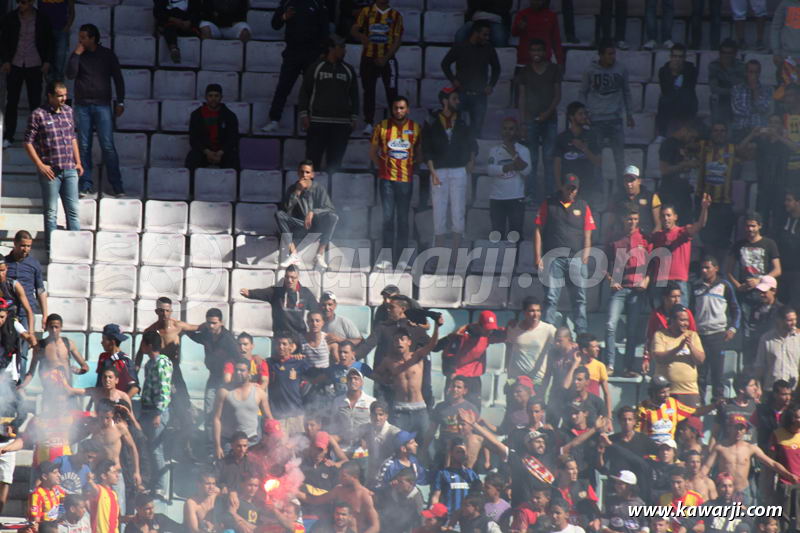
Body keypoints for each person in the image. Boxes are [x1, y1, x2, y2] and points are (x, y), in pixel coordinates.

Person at [66, 23, 125, 198]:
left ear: (93, 38)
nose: (80, 40)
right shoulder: (78, 54)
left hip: (103, 105)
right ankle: (86, 184)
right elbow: (70, 74)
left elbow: (118, 78)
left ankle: (117, 185)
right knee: (84, 146)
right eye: (80, 37)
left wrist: (120, 102)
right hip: (83, 105)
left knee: (107, 146)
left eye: (84, 37)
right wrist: (76, 54)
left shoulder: (107, 54)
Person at [534, 174, 596, 334]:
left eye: (574, 188)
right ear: (562, 187)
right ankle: (546, 333)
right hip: (553, 259)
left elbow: (588, 233)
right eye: (568, 187)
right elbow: (538, 230)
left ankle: (582, 335)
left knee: (580, 299)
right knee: (550, 298)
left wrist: (586, 255)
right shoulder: (549, 203)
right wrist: (538, 257)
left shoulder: (583, 206)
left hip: (576, 259)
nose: (571, 191)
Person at [23, 80, 82, 245]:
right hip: (51, 171)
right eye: (59, 95)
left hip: (70, 167)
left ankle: (74, 246)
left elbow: (72, 138)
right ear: (50, 96)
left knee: (73, 211)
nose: (63, 98)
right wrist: (40, 165)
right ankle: (52, 248)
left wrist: (78, 162)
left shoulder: (69, 111)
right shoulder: (38, 114)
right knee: (51, 212)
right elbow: (27, 142)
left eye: (65, 95)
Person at [369, 96, 421, 270]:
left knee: (403, 220)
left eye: (402, 108)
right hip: (387, 181)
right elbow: (372, 152)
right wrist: (383, 168)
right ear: (392, 109)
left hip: (406, 180)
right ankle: (386, 258)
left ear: (407, 109)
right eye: (396, 108)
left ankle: (403, 260)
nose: (398, 111)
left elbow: (420, 153)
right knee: (388, 219)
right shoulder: (381, 127)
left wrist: (410, 166)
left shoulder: (415, 128)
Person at [422, 87, 476, 251]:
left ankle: (454, 254)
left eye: (458, 99)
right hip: (438, 170)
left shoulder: (463, 118)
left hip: (459, 169)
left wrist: (471, 160)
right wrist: (432, 172)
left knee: (458, 212)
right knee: (439, 212)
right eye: (454, 99)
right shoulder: (431, 119)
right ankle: (439, 253)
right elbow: (427, 148)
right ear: (445, 101)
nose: (457, 102)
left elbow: (471, 141)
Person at [262, 0, 329, 133]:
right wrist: (285, 17)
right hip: (292, 53)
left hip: (312, 53)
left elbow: (324, 29)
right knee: (283, 86)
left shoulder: (317, 3)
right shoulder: (287, 2)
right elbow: (275, 24)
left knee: (312, 88)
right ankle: (274, 120)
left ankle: (310, 121)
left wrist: (323, 52)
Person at [704, 413, 800, 504]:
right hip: (724, 492)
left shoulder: (750, 448)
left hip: (742, 492)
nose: (739, 431)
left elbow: (771, 463)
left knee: (745, 520)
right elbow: (706, 467)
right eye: (736, 427)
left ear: (745, 430)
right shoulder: (720, 447)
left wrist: (788, 475)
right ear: (729, 428)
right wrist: (697, 479)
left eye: (742, 428)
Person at [298, 35, 359, 174]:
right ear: (331, 48)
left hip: (341, 124)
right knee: (312, 163)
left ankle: (332, 192)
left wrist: (354, 116)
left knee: (335, 165)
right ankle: (310, 193)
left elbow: (354, 95)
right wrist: (304, 114)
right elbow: (304, 92)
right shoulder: (316, 67)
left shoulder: (348, 70)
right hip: (318, 122)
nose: (344, 51)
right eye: (341, 48)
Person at [373, 318, 441, 437]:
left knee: (427, 445)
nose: (399, 342)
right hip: (400, 410)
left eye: (402, 339)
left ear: (409, 342)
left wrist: (437, 326)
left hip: (419, 408)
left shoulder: (417, 356)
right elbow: (375, 374)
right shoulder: (388, 361)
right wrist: (385, 381)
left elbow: (432, 344)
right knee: (398, 444)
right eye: (396, 340)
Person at [605, 209, 651, 377]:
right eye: (629, 218)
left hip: (637, 291)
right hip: (620, 288)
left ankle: (629, 367)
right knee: (610, 325)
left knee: (632, 329)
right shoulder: (615, 239)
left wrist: (647, 280)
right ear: (623, 219)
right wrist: (610, 278)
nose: (632, 222)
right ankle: (609, 365)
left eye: (635, 219)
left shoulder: (645, 238)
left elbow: (653, 262)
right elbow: (603, 260)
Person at [579, 42, 633, 186]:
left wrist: (629, 114)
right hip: (596, 120)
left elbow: (627, 92)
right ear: (601, 55)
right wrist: (585, 114)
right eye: (609, 54)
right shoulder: (590, 70)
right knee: (596, 159)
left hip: (615, 119)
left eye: (613, 53)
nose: (612, 57)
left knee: (619, 159)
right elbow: (582, 92)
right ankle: (597, 191)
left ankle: (622, 192)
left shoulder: (621, 69)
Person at [1, 0, 54, 149]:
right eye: (20, 3)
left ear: (31, 3)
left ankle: (36, 137)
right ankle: (8, 135)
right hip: (15, 63)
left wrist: (47, 61)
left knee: (35, 103)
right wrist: (5, 60)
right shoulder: (10, 18)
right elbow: (4, 40)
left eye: (24, 3)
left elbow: (49, 41)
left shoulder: (42, 18)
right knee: (11, 102)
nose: (21, 6)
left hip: (34, 63)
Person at [695, 123, 750, 259]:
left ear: (726, 133)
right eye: (716, 131)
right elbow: (687, 145)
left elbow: (748, 153)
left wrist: (752, 135)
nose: (719, 134)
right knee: (707, 238)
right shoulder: (703, 146)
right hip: (705, 203)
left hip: (724, 203)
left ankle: (720, 271)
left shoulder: (732, 149)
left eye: (722, 131)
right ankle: (709, 268)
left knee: (723, 240)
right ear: (711, 133)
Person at [185, 308, 239, 441]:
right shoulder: (206, 334)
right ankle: (210, 447)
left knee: (227, 414)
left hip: (228, 380)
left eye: (214, 323)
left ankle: (227, 445)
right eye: (208, 323)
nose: (211, 326)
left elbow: (238, 358)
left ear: (221, 322)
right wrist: (192, 328)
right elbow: (193, 336)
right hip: (213, 377)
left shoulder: (228, 339)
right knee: (209, 412)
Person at [351, 0, 403, 136]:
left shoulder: (396, 15)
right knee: (369, 90)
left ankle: (395, 123)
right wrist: (361, 36)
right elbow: (354, 29)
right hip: (368, 58)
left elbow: (397, 40)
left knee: (392, 91)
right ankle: (369, 123)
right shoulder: (366, 12)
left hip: (388, 59)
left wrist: (385, 58)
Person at [517, 38, 561, 201]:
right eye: (533, 50)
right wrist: (522, 122)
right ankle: (530, 193)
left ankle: (550, 194)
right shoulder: (525, 71)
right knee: (532, 160)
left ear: (545, 52)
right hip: (530, 120)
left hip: (550, 120)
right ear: (529, 53)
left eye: (539, 50)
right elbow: (521, 97)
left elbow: (557, 95)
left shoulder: (554, 69)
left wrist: (547, 113)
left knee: (549, 158)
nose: (536, 53)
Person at [691, 256, 740, 401]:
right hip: (700, 334)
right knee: (700, 373)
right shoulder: (696, 286)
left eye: (707, 268)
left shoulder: (724, 285)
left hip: (718, 334)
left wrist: (733, 329)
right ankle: (699, 403)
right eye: (702, 268)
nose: (704, 271)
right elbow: (690, 310)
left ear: (716, 269)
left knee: (717, 372)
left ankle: (718, 402)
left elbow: (736, 309)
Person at [649, 196, 711, 308]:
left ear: (675, 217)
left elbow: (700, 225)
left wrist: (704, 208)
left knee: (680, 313)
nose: (666, 218)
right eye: (663, 216)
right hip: (660, 281)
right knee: (659, 315)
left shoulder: (683, 232)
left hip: (678, 280)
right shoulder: (656, 236)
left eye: (669, 215)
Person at [276, 161, 339, 270]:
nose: (304, 175)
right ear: (298, 173)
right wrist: (297, 192)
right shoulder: (292, 189)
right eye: (302, 172)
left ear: (312, 174)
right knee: (278, 214)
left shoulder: (319, 189)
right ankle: (293, 254)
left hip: (316, 225)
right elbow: (286, 211)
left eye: (307, 172)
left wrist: (313, 212)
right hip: (299, 225)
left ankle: (319, 254)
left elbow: (330, 209)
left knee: (333, 217)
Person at [441, 20, 500, 137]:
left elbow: (496, 68)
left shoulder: (489, 48)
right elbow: (445, 64)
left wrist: (491, 85)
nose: (487, 38)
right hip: (461, 94)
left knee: (477, 130)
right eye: (484, 34)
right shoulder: (460, 46)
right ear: (475, 33)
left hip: (480, 95)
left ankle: (474, 154)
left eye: (488, 35)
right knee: (455, 127)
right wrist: (453, 80)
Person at [435, 310, 505, 407]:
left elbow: (506, 334)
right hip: (457, 378)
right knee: (452, 411)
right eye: (487, 329)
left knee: (474, 411)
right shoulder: (461, 335)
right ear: (479, 326)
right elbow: (448, 355)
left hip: (474, 379)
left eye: (491, 329)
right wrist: (451, 375)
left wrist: (512, 326)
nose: (489, 331)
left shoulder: (488, 334)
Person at [726, 211, 781, 328]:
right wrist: (738, 286)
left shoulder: (769, 243)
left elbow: (777, 269)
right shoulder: (739, 245)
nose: (750, 229)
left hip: (763, 291)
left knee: (762, 324)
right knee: (745, 326)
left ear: (759, 226)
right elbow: (728, 271)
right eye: (747, 226)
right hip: (745, 293)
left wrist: (760, 280)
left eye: (753, 226)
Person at [213, 358, 272, 458]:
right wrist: (217, 446)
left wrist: (271, 440)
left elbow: (269, 418)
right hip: (229, 442)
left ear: (249, 372)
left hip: (252, 443)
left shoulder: (259, 393)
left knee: (251, 473)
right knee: (229, 472)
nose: (238, 373)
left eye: (242, 370)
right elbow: (216, 419)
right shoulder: (224, 392)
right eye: (236, 370)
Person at [5, 230, 46, 370]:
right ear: (15, 244)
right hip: (8, 313)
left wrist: (45, 314)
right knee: (7, 348)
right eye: (23, 245)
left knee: (22, 352)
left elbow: (40, 290)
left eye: (29, 246)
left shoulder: (34, 264)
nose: (26, 249)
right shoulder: (4, 264)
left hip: (25, 313)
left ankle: (19, 386)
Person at [138, 331, 172, 499]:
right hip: (147, 409)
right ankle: (150, 482)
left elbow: (164, 390)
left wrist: (158, 413)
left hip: (157, 411)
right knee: (147, 448)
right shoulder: (150, 364)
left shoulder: (162, 363)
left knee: (157, 449)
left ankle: (160, 487)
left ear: (149, 345)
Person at [302, 462, 381, 533]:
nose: (340, 479)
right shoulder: (339, 490)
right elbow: (315, 500)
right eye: (340, 475)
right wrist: (296, 492)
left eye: (343, 476)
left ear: (354, 477)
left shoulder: (365, 496)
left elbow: (375, 526)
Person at [241, 264, 319, 335]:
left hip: (299, 335)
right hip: (280, 336)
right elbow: (262, 292)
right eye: (287, 277)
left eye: (293, 278)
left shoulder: (305, 293)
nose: (289, 280)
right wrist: (250, 293)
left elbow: (316, 310)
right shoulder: (276, 292)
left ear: (298, 278)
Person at [651, 306, 705, 407]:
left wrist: (691, 346)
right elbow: (659, 358)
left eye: (687, 321)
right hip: (666, 392)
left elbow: (700, 360)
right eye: (682, 320)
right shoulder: (660, 335)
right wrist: (678, 348)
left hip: (689, 392)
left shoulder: (692, 335)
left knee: (690, 422)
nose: (686, 324)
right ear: (672, 320)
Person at [20, 313, 86, 390]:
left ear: (61, 327)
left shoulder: (69, 344)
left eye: (56, 327)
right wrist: (22, 385)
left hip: (67, 389)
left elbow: (85, 367)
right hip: (50, 389)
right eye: (51, 327)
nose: (54, 330)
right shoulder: (40, 346)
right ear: (47, 327)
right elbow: (31, 372)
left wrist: (79, 371)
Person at [487, 118, 530, 238]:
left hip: (516, 198)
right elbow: (490, 170)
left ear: (516, 131)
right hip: (496, 198)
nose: (507, 132)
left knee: (515, 235)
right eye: (505, 129)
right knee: (496, 235)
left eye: (511, 129)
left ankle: (515, 257)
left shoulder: (523, 150)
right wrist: (510, 167)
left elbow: (526, 171)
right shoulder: (494, 150)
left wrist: (514, 154)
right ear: (501, 131)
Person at [267, 332, 314, 436]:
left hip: (296, 415)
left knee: (298, 448)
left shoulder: (299, 362)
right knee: (280, 449)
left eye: (284, 344)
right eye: (278, 344)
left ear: (291, 347)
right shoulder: (269, 363)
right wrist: (256, 357)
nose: (281, 347)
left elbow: (314, 374)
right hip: (278, 415)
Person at [185, 83, 240, 170]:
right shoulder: (196, 115)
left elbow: (233, 138)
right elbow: (194, 138)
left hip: (222, 152)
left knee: (233, 159)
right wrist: (207, 152)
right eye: (210, 96)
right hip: (204, 151)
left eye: (216, 96)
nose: (213, 99)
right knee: (192, 159)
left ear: (221, 97)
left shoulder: (230, 115)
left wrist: (221, 152)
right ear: (206, 97)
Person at [554, 102, 601, 199]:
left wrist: (584, 148)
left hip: (587, 186)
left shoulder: (591, 136)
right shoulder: (562, 138)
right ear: (571, 117)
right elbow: (557, 165)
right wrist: (559, 187)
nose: (584, 116)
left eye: (585, 114)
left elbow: (598, 162)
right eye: (580, 114)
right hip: (568, 186)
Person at [506, 297, 555, 386]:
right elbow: (508, 350)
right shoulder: (514, 328)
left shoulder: (548, 329)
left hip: (537, 380)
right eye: (531, 311)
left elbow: (562, 340)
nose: (535, 314)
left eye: (538, 310)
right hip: (516, 379)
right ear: (524, 312)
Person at [657, 121, 700, 222]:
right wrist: (685, 165)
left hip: (684, 193)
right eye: (691, 136)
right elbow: (664, 170)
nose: (692, 139)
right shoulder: (668, 144)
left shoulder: (684, 145)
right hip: (671, 194)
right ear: (685, 130)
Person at [429, 438, 480, 517]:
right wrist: (434, 514)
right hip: (448, 517)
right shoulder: (443, 474)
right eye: (458, 452)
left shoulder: (471, 474)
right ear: (451, 453)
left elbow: (477, 496)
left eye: (463, 452)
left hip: (466, 519)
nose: (461, 454)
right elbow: (436, 496)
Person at [656, 44, 698, 139]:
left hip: (686, 103)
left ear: (684, 58)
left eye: (680, 57)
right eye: (675, 56)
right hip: (670, 103)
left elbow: (689, 89)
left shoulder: (692, 70)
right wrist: (673, 75)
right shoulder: (663, 71)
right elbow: (665, 91)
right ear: (671, 57)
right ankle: (662, 135)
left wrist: (679, 73)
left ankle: (688, 131)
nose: (677, 59)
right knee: (663, 100)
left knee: (689, 98)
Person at [328, 367, 374, 451]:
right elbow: (333, 423)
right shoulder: (338, 401)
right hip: (342, 448)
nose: (353, 381)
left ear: (362, 382)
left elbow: (375, 424)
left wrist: (367, 438)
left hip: (362, 448)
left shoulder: (371, 401)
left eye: (356, 379)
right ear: (346, 381)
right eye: (350, 379)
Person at [754, 305, 800, 389]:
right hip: (772, 389)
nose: (794, 323)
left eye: (795, 319)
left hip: (793, 389)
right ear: (779, 321)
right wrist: (758, 386)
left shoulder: (798, 338)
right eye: (790, 320)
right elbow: (760, 365)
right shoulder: (766, 339)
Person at [511, 0, 564, 70]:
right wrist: (519, 27)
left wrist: (560, 62)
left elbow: (556, 40)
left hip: (544, 61)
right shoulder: (522, 14)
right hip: (524, 62)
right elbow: (514, 33)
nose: (536, 2)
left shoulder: (551, 16)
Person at [731, 60, 773, 142]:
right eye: (751, 72)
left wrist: (755, 91)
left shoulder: (767, 89)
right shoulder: (736, 89)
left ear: (759, 73)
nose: (754, 75)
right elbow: (737, 110)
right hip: (741, 128)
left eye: (756, 72)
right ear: (746, 73)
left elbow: (764, 109)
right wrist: (756, 110)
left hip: (759, 129)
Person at [94, 324, 139, 397]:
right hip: (102, 402)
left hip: (118, 404)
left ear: (112, 342)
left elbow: (135, 388)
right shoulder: (103, 357)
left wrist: (122, 401)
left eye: (103, 339)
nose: (101, 342)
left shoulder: (125, 361)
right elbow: (99, 384)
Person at [374, 467, 425, 533]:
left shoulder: (417, 499)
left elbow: (420, 521)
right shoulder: (393, 490)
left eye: (401, 482)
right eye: (397, 481)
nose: (397, 484)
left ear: (411, 483)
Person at [708, 39, 745, 125]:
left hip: (736, 99)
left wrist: (727, 68)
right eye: (723, 52)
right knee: (714, 97)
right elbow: (714, 88)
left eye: (729, 53)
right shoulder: (714, 65)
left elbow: (740, 88)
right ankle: (717, 125)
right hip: (721, 99)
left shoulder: (741, 66)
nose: (726, 55)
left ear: (735, 54)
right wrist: (730, 89)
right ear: (720, 53)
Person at [777, 190, 800, 307]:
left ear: (798, 202)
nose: (786, 203)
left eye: (789, 200)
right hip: (782, 270)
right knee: (781, 302)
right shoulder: (782, 220)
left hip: (797, 272)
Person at [85, 459, 121, 533]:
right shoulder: (99, 490)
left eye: (117, 472)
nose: (117, 475)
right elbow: (92, 486)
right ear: (104, 476)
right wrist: (90, 480)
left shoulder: (114, 494)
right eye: (114, 472)